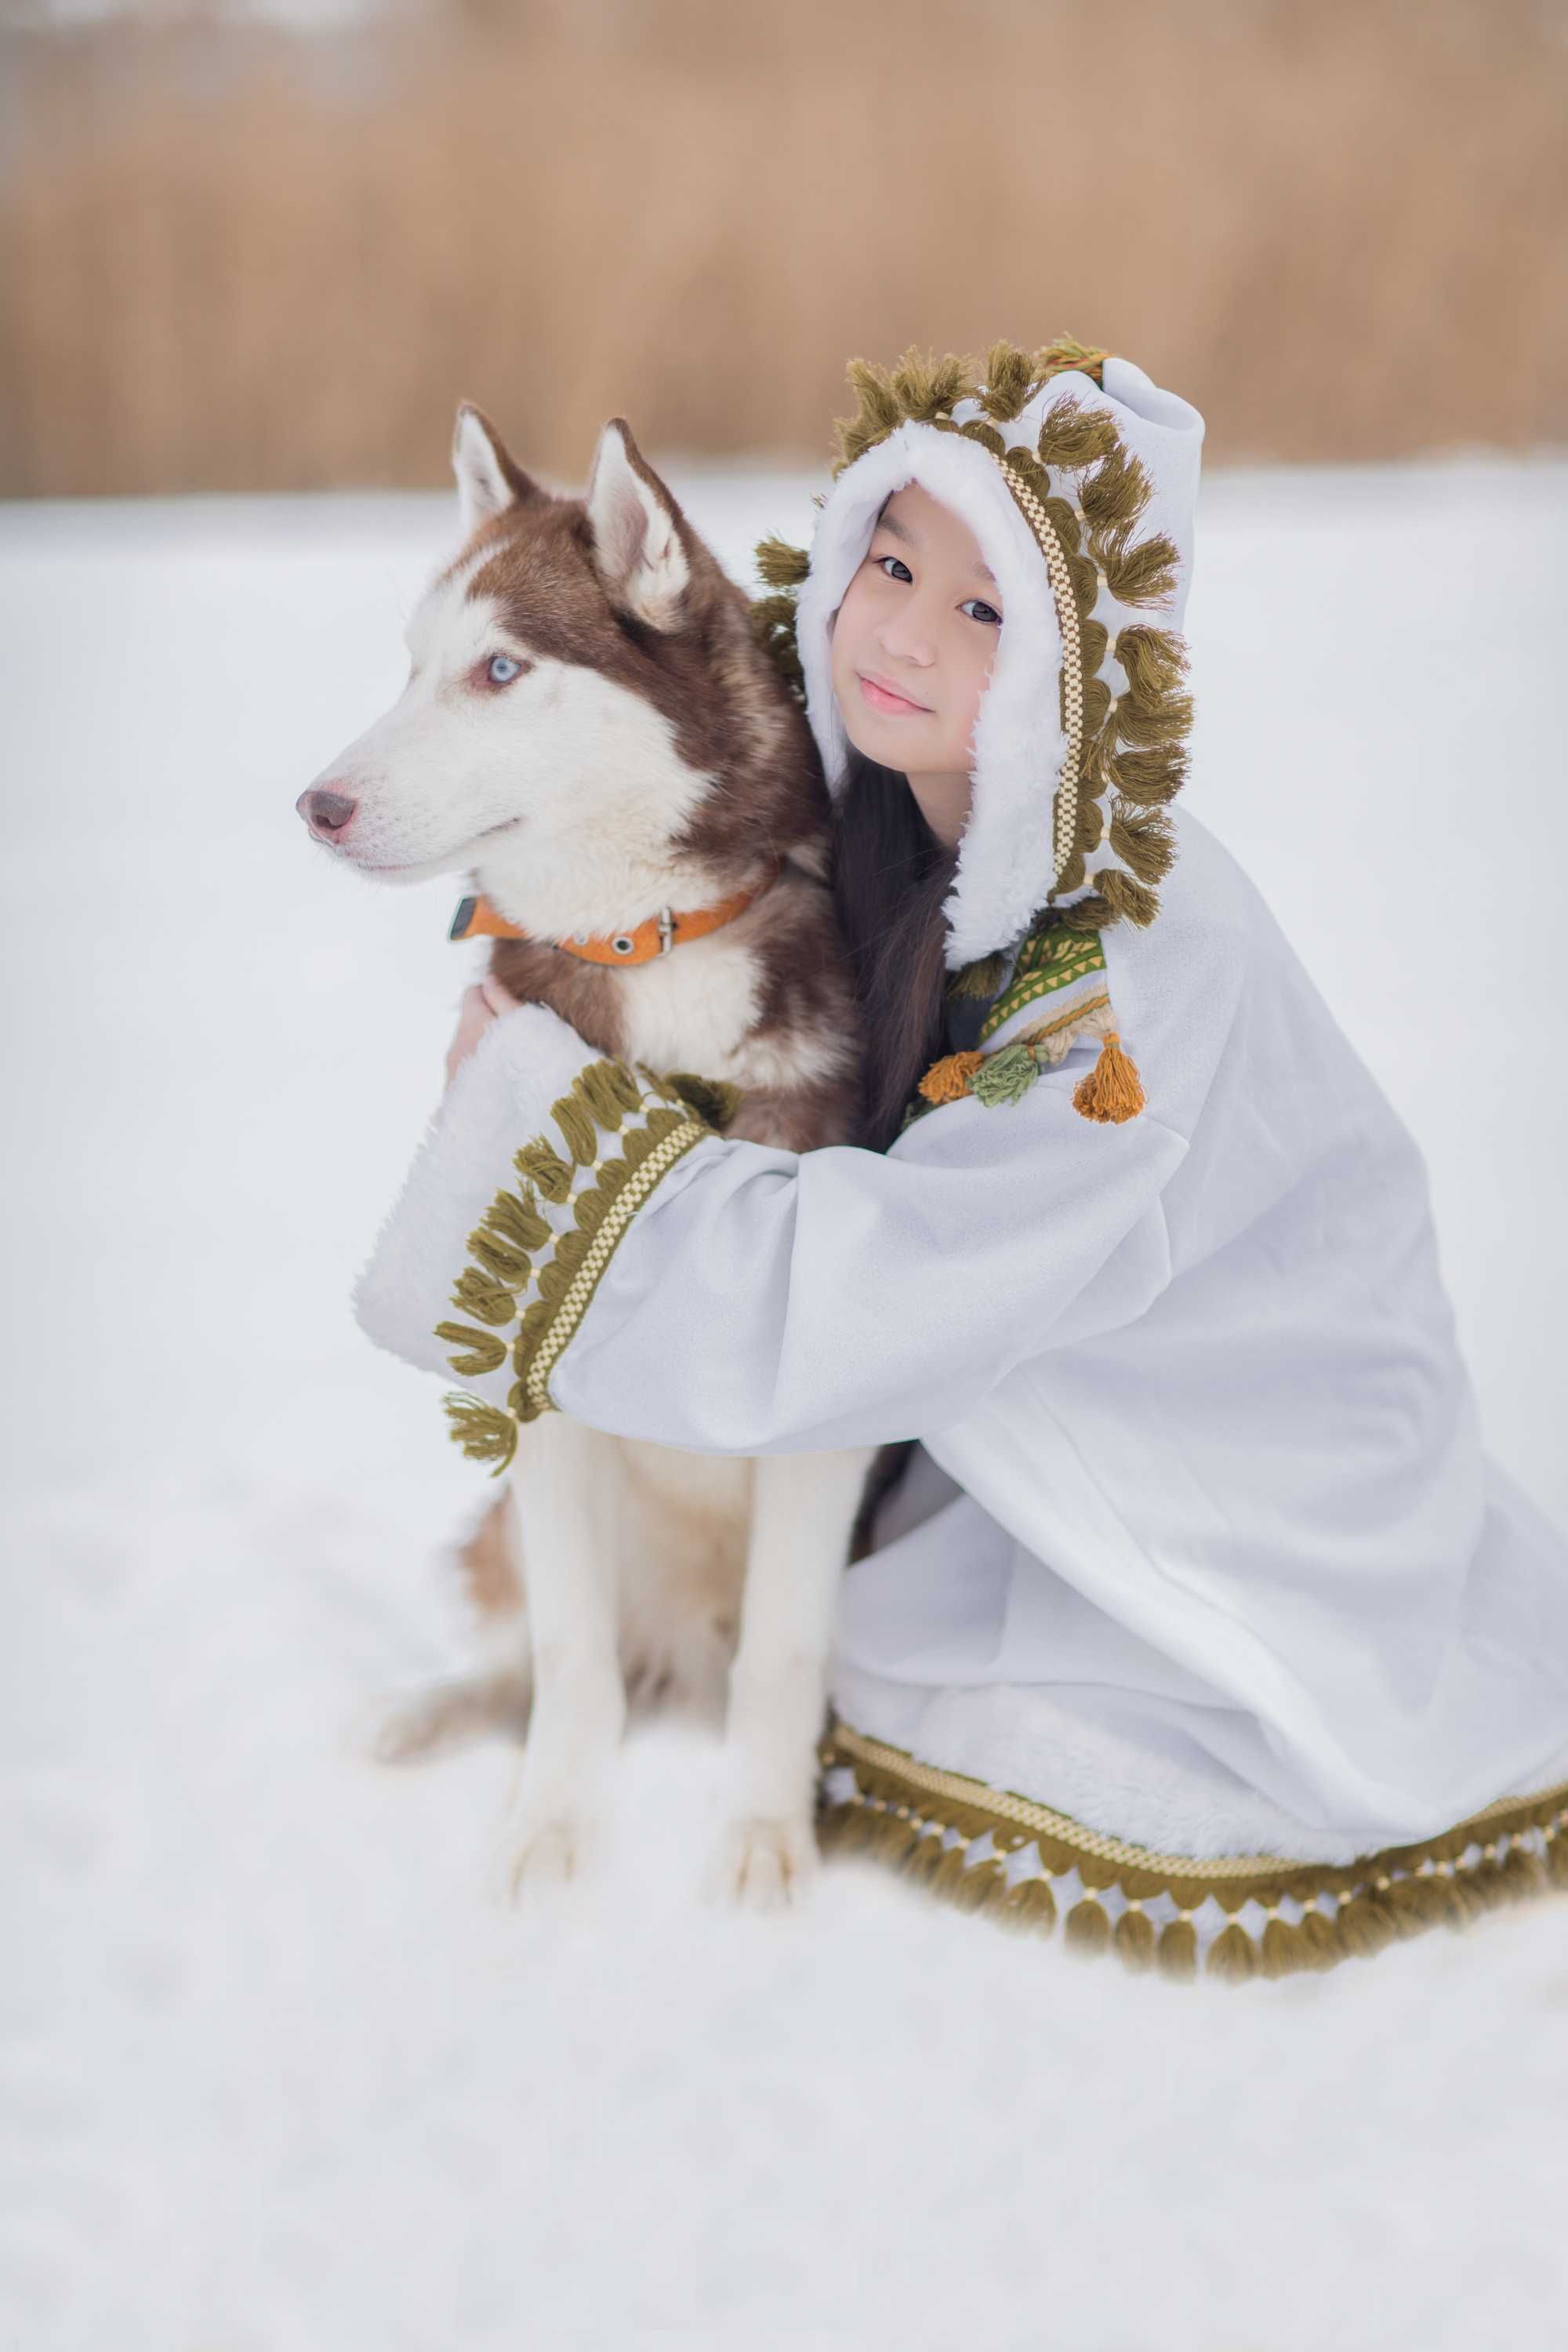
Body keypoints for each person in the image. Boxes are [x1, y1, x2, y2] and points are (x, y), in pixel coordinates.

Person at [355, 340, 1568, 1980]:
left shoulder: (1124, 979)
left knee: (1018, 1724)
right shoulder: (886, 825)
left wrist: (535, 1117)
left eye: (986, 612)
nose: (905, 634)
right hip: (1033, 1398)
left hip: (1252, 1463)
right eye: (890, 561)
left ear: (1077, 670)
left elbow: (871, 1296)